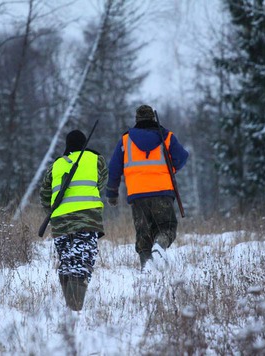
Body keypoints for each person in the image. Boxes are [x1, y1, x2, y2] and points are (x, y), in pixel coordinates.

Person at [106, 105, 188, 271]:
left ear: (137, 120)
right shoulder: (167, 137)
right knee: (167, 227)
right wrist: (170, 170)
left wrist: (112, 193)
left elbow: (114, 168)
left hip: (137, 194)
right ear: (152, 118)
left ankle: (147, 268)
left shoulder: (125, 140)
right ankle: (160, 244)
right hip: (162, 191)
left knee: (143, 232)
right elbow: (182, 157)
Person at [40, 129, 108, 311]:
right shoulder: (96, 159)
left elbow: (45, 193)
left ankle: (70, 307)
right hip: (86, 219)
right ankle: (75, 309)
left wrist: (55, 211)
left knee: (67, 261)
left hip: (60, 222)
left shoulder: (56, 165)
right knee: (82, 261)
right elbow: (102, 183)